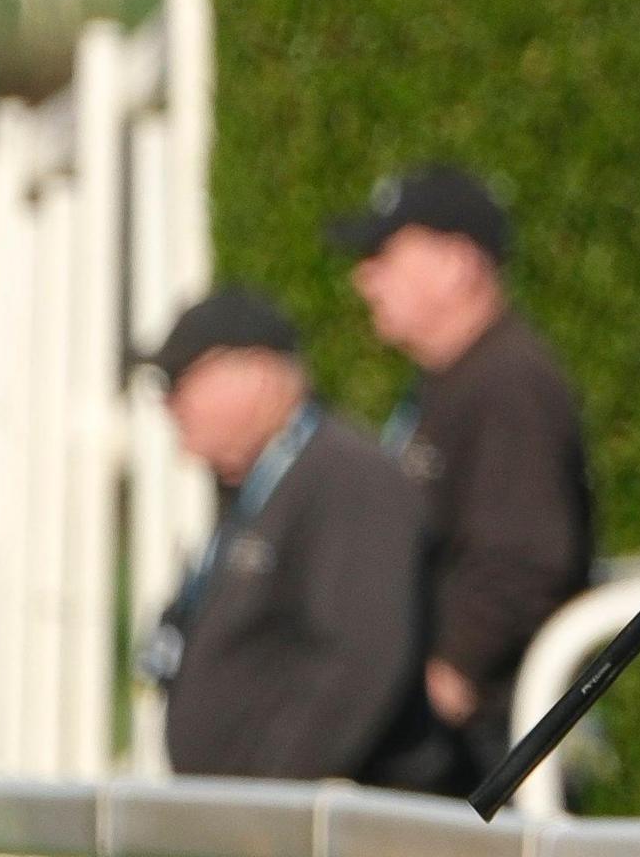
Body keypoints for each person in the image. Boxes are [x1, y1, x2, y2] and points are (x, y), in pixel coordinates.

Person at [330, 164, 596, 790]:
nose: (364, 278)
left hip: (481, 756)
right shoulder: (450, 383)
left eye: (384, 256)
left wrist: (440, 682)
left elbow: (525, 561)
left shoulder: (509, 384)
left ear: (456, 264)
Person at [143, 285, 448, 788]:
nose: (169, 404)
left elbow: (361, 661)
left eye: (181, 379)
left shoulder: (347, 482)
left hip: (314, 816)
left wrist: (276, 799)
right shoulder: (260, 487)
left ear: (258, 373)